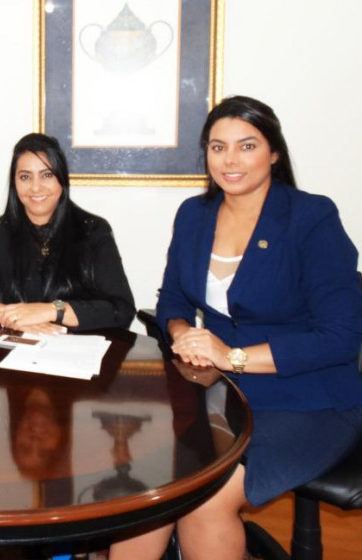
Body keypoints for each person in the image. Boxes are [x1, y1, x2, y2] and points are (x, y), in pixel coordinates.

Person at [110, 96, 362, 559]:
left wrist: (232, 357)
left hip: (308, 398)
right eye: (217, 146)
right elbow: (173, 300)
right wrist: (183, 330)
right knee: (145, 494)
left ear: (274, 153)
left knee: (202, 504)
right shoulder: (194, 214)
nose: (230, 160)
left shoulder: (311, 218)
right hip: (222, 391)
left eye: (247, 146)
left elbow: (341, 338)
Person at [0, 132, 134, 333]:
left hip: (77, 351)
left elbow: (122, 309)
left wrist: (51, 311)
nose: (35, 187)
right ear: (15, 183)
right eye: (25, 177)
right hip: (16, 349)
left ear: (61, 179)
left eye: (47, 175)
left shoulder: (93, 230)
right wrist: (12, 315)